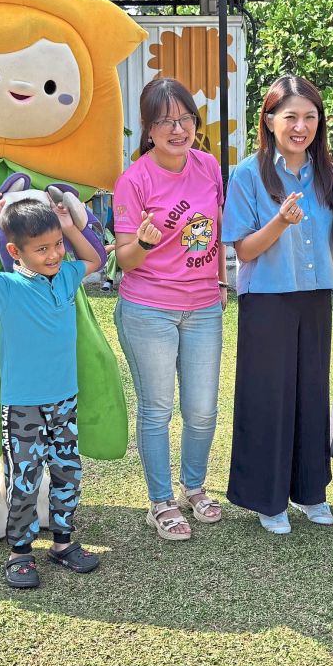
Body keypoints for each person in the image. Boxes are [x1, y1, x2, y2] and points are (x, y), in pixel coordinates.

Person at [0, 185, 104, 587]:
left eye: (56, 245)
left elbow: (95, 258)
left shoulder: (66, 276)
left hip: (64, 402)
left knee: (68, 472)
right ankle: (19, 553)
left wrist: (68, 226)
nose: (53, 255)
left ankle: (63, 543)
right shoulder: (5, 287)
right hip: (23, 409)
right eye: (42, 249)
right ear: (16, 252)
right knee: (24, 478)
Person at [112, 78, 228, 541]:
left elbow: (215, 229)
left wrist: (219, 279)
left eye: (186, 119)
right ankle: (160, 501)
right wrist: (142, 241)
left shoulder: (209, 166)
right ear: (148, 128)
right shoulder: (133, 180)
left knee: (202, 410)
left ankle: (194, 487)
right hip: (148, 309)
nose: (178, 129)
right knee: (158, 409)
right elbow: (123, 258)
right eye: (166, 121)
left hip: (203, 307)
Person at [223, 75, 333, 534]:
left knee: (311, 395)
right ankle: (267, 499)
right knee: (268, 399)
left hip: (314, 298)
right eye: (290, 116)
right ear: (269, 120)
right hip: (267, 301)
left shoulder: (329, 173)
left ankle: (312, 491)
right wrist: (280, 221)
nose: (301, 126)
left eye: (310, 117)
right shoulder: (248, 173)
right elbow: (245, 250)